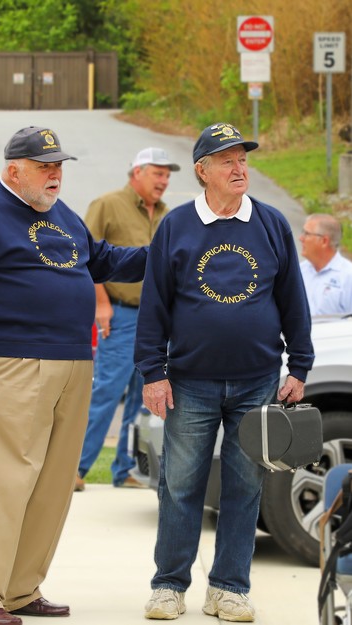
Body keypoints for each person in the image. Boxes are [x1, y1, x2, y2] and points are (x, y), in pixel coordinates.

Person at [0, 126, 148, 625]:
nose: (55, 175)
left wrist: (168, 254)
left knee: (52, 485)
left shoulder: (62, 215)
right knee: (7, 481)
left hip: (74, 362)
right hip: (10, 365)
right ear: (13, 170)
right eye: (44, 166)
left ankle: (22, 589)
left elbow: (104, 261)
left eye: (59, 165)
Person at [134, 122, 314, 622]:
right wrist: (152, 371)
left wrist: (299, 363)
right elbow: (155, 305)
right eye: (227, 161)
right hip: (190, 380)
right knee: (180, 484)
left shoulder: (271, 223)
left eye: (243, 160)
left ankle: (229, 588)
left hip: (257, 379)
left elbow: (292, 299)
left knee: (245, 487)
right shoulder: (176, 226)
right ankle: (169, 585)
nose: (239, 169)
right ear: (202, 171)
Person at [75, 147, 180, 492]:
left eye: (167, 175)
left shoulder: (168, 215)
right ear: (137, 172)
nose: (164, 181)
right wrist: (101, 303)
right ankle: (74, 469)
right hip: (119, 315)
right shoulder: (107, 204)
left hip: (157, 320)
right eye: (158, 173)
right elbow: (83, 257)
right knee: (106, 392)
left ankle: (126, 469)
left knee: (144, 397)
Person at [299, 213, 352, 315]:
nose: (301, 238)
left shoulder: (348, 277)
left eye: (306, 234)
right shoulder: (300, 270)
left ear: (324, 241)